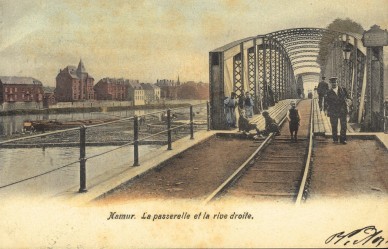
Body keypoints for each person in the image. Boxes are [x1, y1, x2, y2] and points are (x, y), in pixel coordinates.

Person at [325, 77, 350, 144]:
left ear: (337, 83)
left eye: (335, 82)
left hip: (342, 110)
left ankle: (343, 139)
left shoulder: (343, 90)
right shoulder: (328, 92)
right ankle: (335, 139)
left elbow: (349, 98)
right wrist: (326, 109)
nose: (334, 84)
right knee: (334, 125)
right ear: (330, 83)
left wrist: (348, 101)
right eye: (332, 83)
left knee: (344, 125)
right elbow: (326, 102)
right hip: (333, 111)